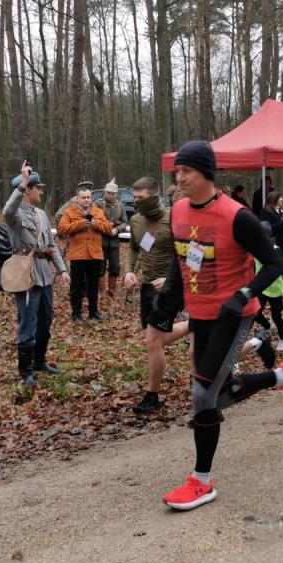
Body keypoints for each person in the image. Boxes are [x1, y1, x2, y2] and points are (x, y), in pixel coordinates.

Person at [157, 141, 283, 511]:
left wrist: (245, 293)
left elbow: (275, 263)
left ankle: (201, 482)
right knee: (214, 395)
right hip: (200, 315)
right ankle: (281, 377)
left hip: (235, 315)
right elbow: (180, 260)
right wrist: (167, 303)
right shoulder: (177, 211)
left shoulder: (237, 216)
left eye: (187, 171)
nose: (180, 177)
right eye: (178, 171)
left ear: (207, 172)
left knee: (203, 397)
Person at [123, 176, 190, 414]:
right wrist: (129, 270)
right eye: (135, 198)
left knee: (152, 341)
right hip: (148, 286)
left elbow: (191, 254)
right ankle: (193, 326)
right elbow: (133, 247)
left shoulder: (175, 219)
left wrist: (173, 279)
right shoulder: (136, 220)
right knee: (154, 341)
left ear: (154, 196)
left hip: (172, 287)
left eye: (141, 198)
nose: (137, 202)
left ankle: (152, 396)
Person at [4, 164, 71, 387]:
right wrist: (23, 182)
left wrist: (62, 270)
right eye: (38, 188)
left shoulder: (41, 214)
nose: (41, 192)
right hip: (25, 273)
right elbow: (8, 210)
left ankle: (40, 360)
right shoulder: (14, 214)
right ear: (28, 189)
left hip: (44, 273)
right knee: (28, 321)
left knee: (45, 320)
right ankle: (25, 370)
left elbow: (51, 245)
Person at [57, 183, 112, 322]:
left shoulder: (98, 211)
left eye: (88, 197)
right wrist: (80, 224)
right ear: (77, 198)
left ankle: (93, 311)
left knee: (93, 285)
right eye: (83, 197)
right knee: (76, 286)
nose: (86, 200)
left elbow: (108, 228)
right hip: (78, 255)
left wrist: (96, 224)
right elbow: (61, 229)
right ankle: (76, 313)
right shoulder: (69, 212)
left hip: (95, 254)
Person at [254, 221, 283, 351]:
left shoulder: (275, 250)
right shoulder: (254, 250)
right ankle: (268, 326)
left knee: (276, 316)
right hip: (261, 288)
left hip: (275, 288)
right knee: (255, 312)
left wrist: (272, 270)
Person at [94, 179, 128, 299]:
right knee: (100, 266)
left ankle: (112, 289)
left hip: (114, 242)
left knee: (114, 266)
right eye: (109, 193)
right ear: (105, 192)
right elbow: (96, 222)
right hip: (101, 241)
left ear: (116, 193)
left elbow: (125, 222)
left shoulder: (120, 205)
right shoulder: (98, 204)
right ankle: (102, 290)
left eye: (113, 193)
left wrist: (117, 229)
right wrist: (108, 227)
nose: (111, 195)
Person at [260, 190, 283, 266]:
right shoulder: (265, 211)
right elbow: (269, 229)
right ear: (274, 199)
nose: (282, 199)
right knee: (277, 265)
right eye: (280, 197)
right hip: (274, 242)